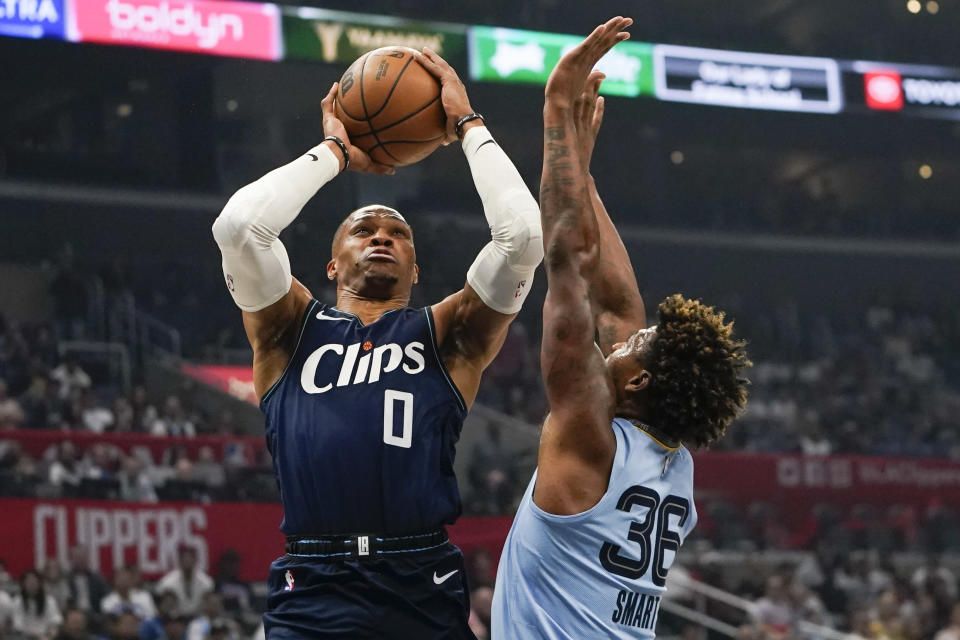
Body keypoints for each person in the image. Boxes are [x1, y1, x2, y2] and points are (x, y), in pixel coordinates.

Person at [212, 45, 543, 638]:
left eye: (399, 233)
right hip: (314, 581)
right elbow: (239, 228)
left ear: (416, 271)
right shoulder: (291, 331)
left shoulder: (447, 336)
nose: (382, 237)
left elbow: (522, 238)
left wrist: (468, 126)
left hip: (421, 579)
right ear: (332, 265)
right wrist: (335, 152)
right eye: (363, 229)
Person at [491, 17, 751, 638]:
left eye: (636, 346)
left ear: (636, 384)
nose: (629, 334)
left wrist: (556, 110)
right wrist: (581, 172)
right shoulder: (672, 462)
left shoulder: (589, 436)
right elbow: (616, 300)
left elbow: (566, 263)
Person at [154, 546, 213, 618]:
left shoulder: (206, 582)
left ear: (195, 560)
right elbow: (160, 602)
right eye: (185, 559)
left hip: (198, 618)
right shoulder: (167, 582)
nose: (187, 562)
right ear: (179, 561)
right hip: (175, 619)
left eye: (190, 559)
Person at [12, 568, 63, 639]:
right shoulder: (17, 601)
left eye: (34, 581)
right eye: (28, 581)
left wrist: (49, 636)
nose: (31, 583)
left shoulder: (49, 601)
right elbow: (17, 625)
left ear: (40, 583)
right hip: (24, 636)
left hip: (45, 636)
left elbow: (55, 622)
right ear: (23, 584)